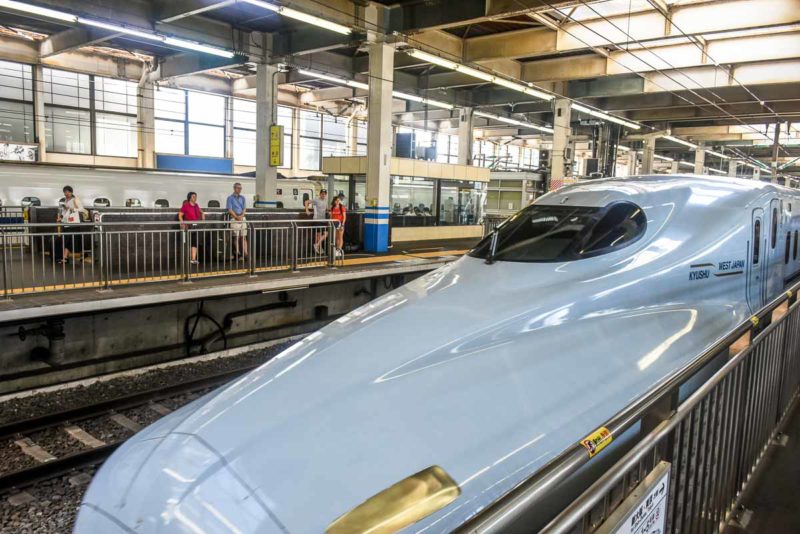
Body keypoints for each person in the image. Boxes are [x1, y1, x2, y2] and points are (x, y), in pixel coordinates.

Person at [57, 185, 87, 264]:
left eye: (67, 192)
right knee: (69, 240)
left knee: (74, 240)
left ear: (71, 192)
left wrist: (73, 209)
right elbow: (64, 212)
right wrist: (61, 217)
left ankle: (67, 257)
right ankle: (66, 257)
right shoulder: (65, 201)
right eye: (65, 192)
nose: (66, 194)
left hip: (74, 223)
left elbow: (81, 209)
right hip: (67, 223)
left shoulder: (75, 200)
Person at [179, 192, 205, 264]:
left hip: (196, 226)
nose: (195, 198)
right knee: (187, 242)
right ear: (190, 197)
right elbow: (180, 215)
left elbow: (201, 212)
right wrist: (182, 223)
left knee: (194, 242)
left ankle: (193, 259)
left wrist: (203, 218)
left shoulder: (196, 205)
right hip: (188, 226)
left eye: (196, 196)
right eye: (193, 196)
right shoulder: (185, 206)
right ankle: (185, 259)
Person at [226, 182, 248, 260]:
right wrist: (236, 217)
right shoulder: (230, 198)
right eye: (238, 188)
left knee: (244, 237)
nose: (239, 190)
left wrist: (241, 216)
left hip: (242, 218)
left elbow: (244, 208)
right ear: (234, 188)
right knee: (236, 237)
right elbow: (229, 209)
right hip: (234, 218)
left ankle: (245, 254)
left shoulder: (243, 198)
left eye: (240, 188)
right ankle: (237, 253)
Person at [305, 189, 328, 255]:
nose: (323, 195)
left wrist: (328, 211)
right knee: (318, 235)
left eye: (324, 194)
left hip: (323, 220)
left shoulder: (326, 201)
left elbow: (325, 209)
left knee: (326, 233)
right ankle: (318, 248)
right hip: (317, 219)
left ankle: (317, 245)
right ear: (320, 194)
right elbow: (306, 202)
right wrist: (307, 210)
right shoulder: (316, 200)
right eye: (322, 194)